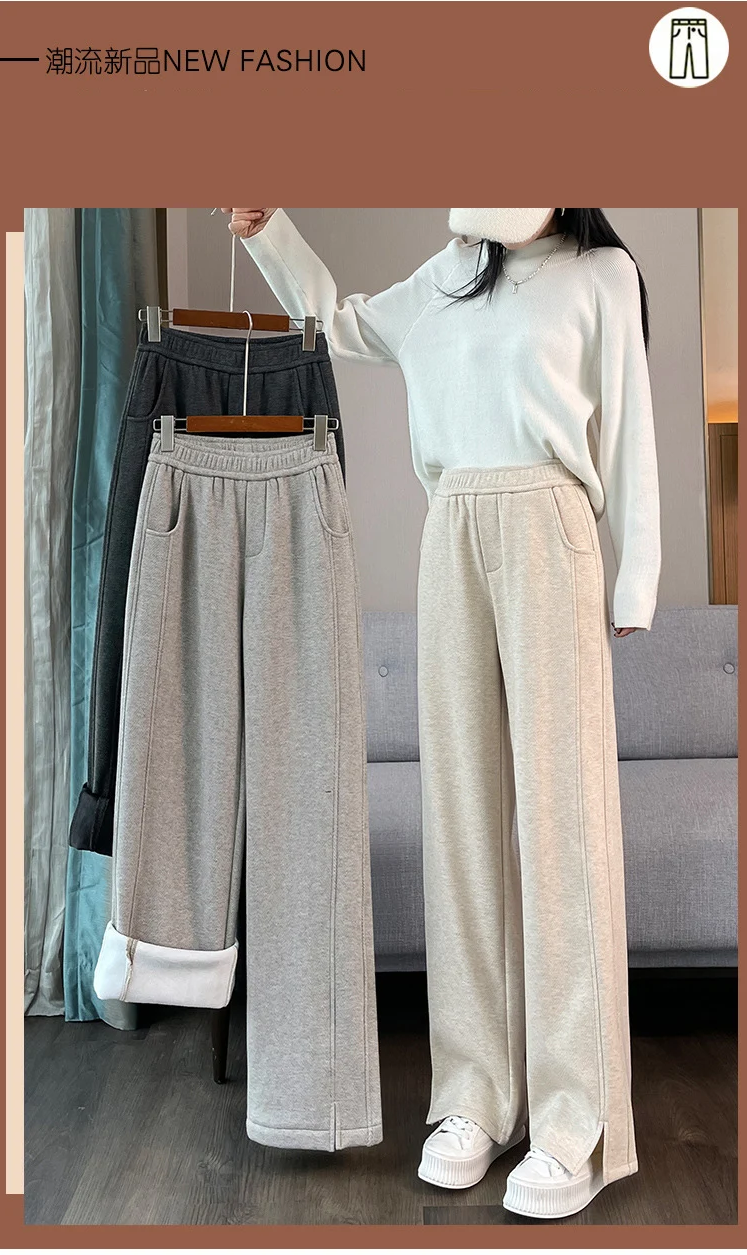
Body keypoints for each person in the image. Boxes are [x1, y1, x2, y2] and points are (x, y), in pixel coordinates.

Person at [223, 207, 661, 1219]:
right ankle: (474, 1095)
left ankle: (574, 1120)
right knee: (460, 823)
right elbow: (340, 321)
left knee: (561, 832)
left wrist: (635, 574)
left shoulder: (600, 275)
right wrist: (267, 229)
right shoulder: (450, 274)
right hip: (452, 525)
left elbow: (632, 425)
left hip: (552, 525)